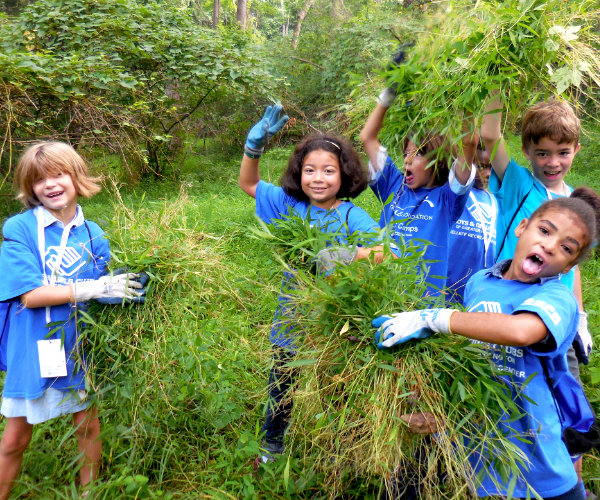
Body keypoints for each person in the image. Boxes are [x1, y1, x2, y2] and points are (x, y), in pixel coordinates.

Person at [372, 188, 600, 499]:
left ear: (567, 267)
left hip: (542, 473)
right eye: (544, 230)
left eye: (565, 248)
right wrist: (441, 413)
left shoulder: (556, 298)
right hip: (483, 468)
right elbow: (470, 362)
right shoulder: (480, 282)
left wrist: (437, 318)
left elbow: (521, 331)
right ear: (522, 227)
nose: (548, 245)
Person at [240, 104, 386, 465]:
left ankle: (341, 448)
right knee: (282, 386)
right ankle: (271, 447)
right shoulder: (289, 205)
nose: (317, 178)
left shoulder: (352, 215)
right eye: (309, 170)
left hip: (336, 322)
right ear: (298, 173)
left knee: (335, 387)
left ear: (344, 174)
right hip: (292, 317)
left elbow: (386, 252)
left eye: (328, 171)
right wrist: (253, 148)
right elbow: (248, 183)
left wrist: (350, 255)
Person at [0, 142, 145, 499]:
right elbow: (30, 296)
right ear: (29, 188)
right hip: (32, 343)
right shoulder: (19, 228)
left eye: (58, 174)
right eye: (39, 180)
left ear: (76, 176)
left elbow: (102, 288)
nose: (49, 184)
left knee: (87, 424)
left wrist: (122, 288)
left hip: (77, 342)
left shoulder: (94, 232)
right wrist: (92, 288)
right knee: (15, 437)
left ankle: (89, 493)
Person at [480, 95, 593, 485]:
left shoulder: (574, 207)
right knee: (518, 403)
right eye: (542, 153)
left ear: (576, 150)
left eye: (562, 152)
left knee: (567, 408)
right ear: (527, 150)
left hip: (556, 323)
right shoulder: (516, 184)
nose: (552, 162)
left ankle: (571, 484)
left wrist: (580, 318)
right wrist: (495, 71)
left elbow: (571, 271)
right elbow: (490, 133)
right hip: (510, 314)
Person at [359, 80, 476, 298]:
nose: (408, 161)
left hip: (418, 304)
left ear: (439, 160)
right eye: (406, 154)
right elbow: (368, 137)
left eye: (419, 153)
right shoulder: (393, 185)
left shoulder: (447, 200)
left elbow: (469, 143)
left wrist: (466, 96)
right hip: (380, 294)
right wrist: (388, 95)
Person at [446, 142, 497, 303]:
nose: (488, 173)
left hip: (478, 295)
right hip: (444, 290)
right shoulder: (454, 193)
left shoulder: (496, 201)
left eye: (492, 167)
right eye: (482, 167)